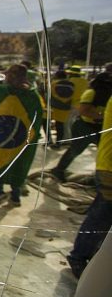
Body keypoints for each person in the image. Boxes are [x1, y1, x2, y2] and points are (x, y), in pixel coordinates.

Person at [0, 64, 43, 207]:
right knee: (17, 164)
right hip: (19, 139)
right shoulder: (32, 96)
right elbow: (37, 116)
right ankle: (15, 196)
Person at [65, 95, 112, 278]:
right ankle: (79, 256)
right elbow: (83, 108)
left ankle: (86, 254)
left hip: (105, 164)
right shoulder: (93, 92)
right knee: (102, 215)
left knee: (102, 213)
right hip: (108, 167)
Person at [50, 72, 111, 181]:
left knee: (105, 153)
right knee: (75, 150)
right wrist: (103, 116)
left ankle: (101, 177)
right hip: (84, 127)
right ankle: (59, 170)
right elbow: (83, 111)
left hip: (100, 128)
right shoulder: (91, 93)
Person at [49, 70, 74, 148]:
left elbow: (50, 95)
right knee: (60, 125)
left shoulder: (53, 84)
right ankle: (58, 143)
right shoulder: (72, 84)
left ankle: (49, 141)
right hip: (65, 108)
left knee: (46, 124)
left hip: (54, 107)